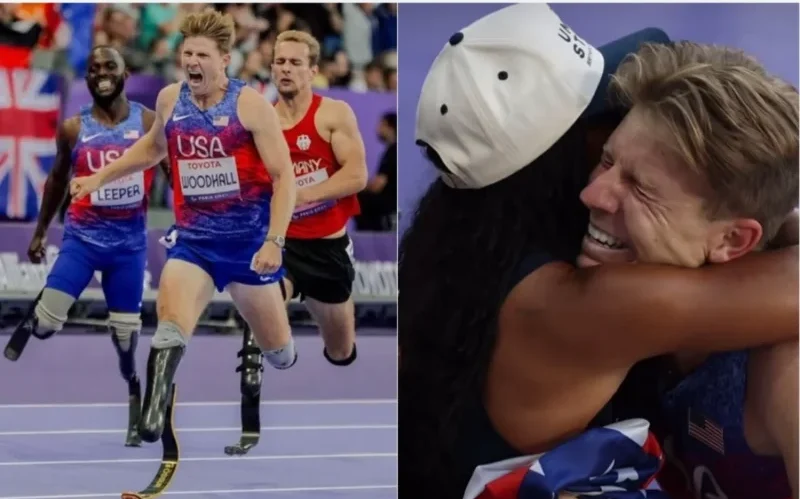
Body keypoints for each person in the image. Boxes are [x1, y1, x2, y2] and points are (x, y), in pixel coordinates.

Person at [397, 4, 798, 499]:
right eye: (602, 142)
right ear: (556, 157)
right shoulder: (587, 304)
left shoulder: (468, 252)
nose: (596, 192)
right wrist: (774, 218)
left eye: (635, 178)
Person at [69, 8, 297, 444]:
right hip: (194, 241)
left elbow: (283, 177)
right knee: (170, 320)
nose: (192, 61)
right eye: (187, 53)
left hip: (248, 246)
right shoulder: (171, 99)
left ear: (225, 59)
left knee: (281, 353)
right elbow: (151, 150)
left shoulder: (249, 105)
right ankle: (153, 411)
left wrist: (275, 241)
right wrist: (97, 178)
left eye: (202, 55)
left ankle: (269, 338)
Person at [587, 44, 799, 499]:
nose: (593, 195)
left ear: (730, 240)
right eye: (607, 161)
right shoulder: (602, 274)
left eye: (641, 188)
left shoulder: (783, 370)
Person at [3, 45, 169, 448]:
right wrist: (41, 231)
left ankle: (133, 389)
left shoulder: (149, 124)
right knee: (44, 328)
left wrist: (190, 222)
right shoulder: (73, 129)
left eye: (109, 66)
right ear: (88, 77)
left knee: (125, 338)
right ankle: (39, 313)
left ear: (125, 72)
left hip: (128, 248)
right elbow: (57, 181)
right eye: (93, 68)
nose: (101, 73)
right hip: (81, 240)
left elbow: (174, 172)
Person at [226, 29, 368, 454]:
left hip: (327, 251)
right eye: (278, 62)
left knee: (341, 352)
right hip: (282, 247)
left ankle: (328, 343)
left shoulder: (333, 114)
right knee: (257, 310)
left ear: (312, 70)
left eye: (293, 63)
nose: (284, 69)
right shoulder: (259, 123)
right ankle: (249, 421)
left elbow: (356, 176)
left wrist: (297, 195)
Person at [356, 111, 397, 231]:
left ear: (389, 127)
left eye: (381, 125)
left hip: (386, 207)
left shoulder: (392, 152)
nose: (377, 128)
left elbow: (377, 185)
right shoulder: (392, 151)